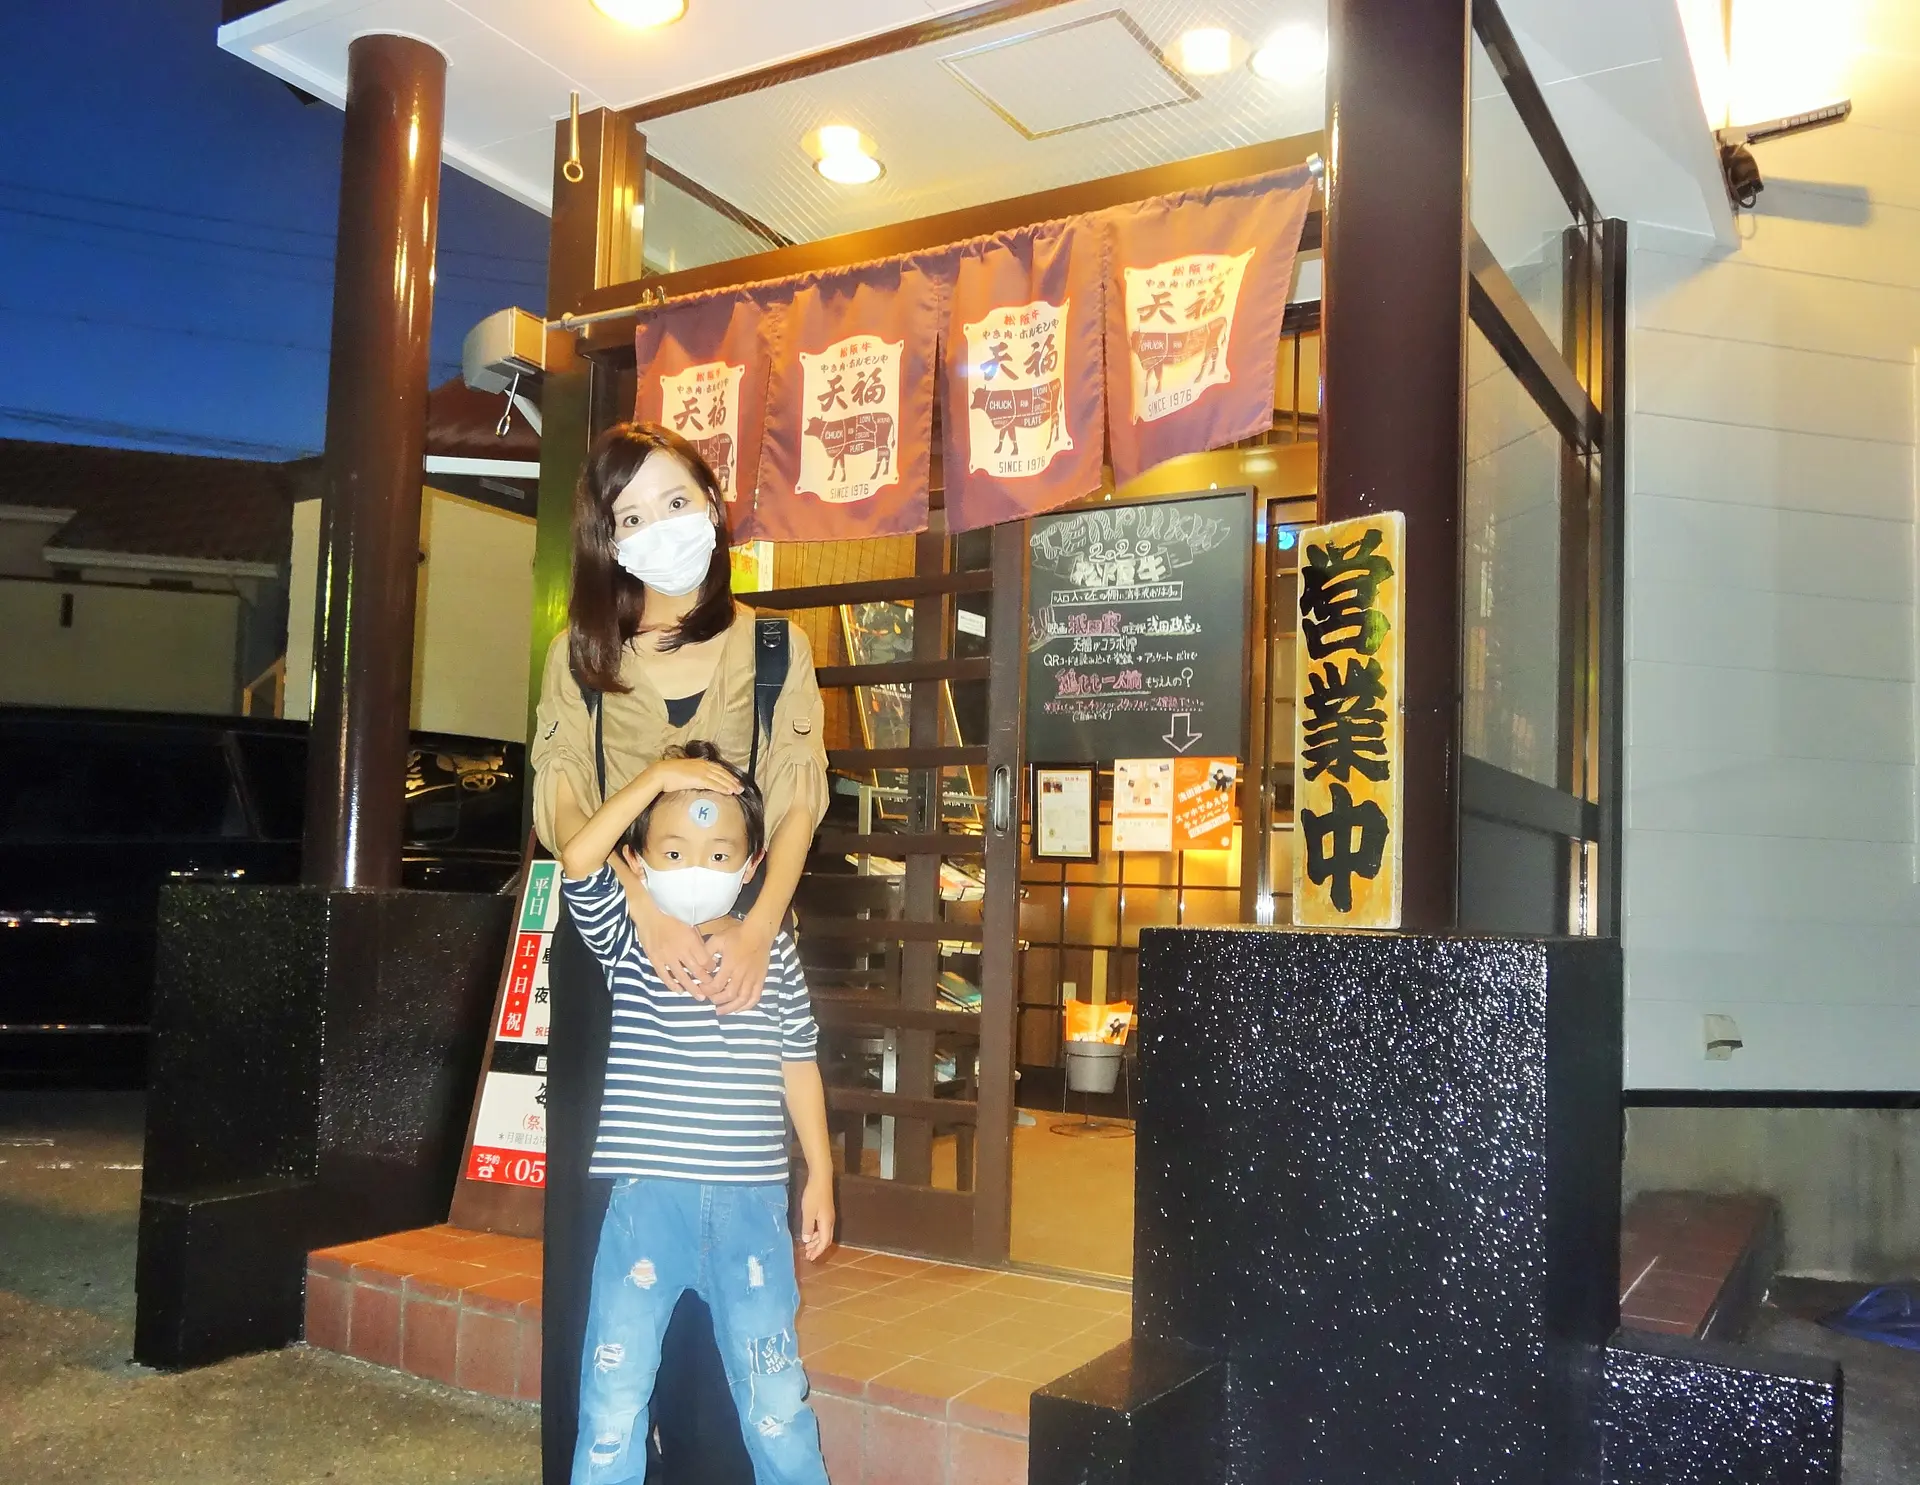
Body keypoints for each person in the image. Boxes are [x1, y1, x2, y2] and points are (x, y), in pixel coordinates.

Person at [531, 422, 828, 1485]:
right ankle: (601, 1458)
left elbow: (797, 805)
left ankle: (711, 1465)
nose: (658, 528)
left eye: (674, 500)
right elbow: (561, 803)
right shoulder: (582, 659)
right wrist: (641, 911)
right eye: (630, 516)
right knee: (604, 1241)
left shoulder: (778, 648)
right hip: (617, 962)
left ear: (713, 500)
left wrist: (756, 930)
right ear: (605, 541)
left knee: (732, 1228)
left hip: (742, 962)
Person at [558, 740, 835, 1485]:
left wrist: (821, 1173)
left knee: (776, 1399)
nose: (695, 867)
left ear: (751, 866)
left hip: (752, 1209)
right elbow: (578, 858)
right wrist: (657, 777)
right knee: (613, 1397)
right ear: (641, 860)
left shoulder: (772, 955)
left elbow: (798, 1063)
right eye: (673, 851)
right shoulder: (629, 942)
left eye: (718, 853)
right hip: (646, 1204)